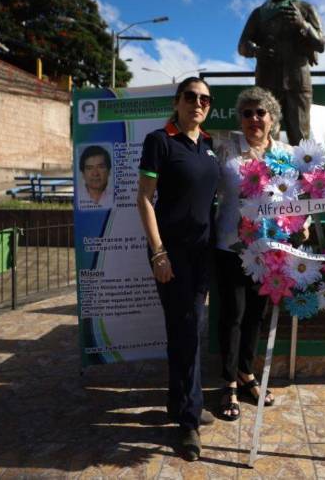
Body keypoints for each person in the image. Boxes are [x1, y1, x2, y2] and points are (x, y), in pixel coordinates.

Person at [136, 77, 220, 461]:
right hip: (172, 256)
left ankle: (177, 403)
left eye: (204, 98)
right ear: (177, 101)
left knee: (184, 330)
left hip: (204, 255)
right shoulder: (160, 141)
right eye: (191, 96)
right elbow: (144, 199)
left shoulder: (208, 146)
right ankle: (188, 422)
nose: (198, 103)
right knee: (188, 332)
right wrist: (158, 253)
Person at [213, 87, 290, 421]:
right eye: (247, 113)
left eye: (260, 113)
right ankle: (228, 382)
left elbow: (300, 198)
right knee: (233, 314)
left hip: (270, 250)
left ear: (272, 118)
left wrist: (301, 225)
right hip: (230, 246)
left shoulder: (288, 154)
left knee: (256, 315)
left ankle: (246, 374)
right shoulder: (225, 149)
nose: (254, 119)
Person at [238, 0, 325, 145]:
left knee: (301, 135)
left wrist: (303, 24)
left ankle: (304, 174)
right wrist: (256, 50)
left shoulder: (305, 8)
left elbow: (321, 43)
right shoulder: (259, 13)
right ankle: (268, 173)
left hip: (298, 81)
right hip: (267, 82)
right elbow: (242, 45)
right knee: (268, 136)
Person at [78, 145, 114, 209]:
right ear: (83, 174)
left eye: (101, 167)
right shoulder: (78, 197)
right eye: (89, 168)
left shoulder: (117, 198)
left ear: (109, 171)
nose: (95, 173)